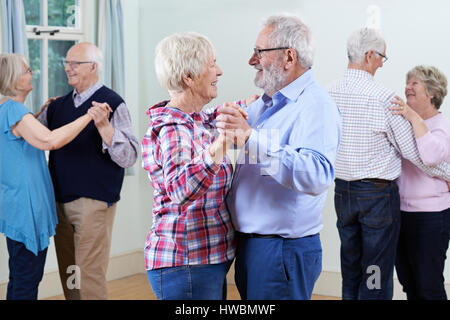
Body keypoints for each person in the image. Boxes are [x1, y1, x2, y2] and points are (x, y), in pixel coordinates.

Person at [219, 13, 341, 300]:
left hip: (282, 250)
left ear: (288, 56)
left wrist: (250, 138)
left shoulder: (316, 105)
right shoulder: (263, 105)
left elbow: (316, 175)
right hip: (253, 247)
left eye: (259, 52)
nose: (252, 60)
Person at [328, 28, 450, 300]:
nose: (383, 63)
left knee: (351, 263)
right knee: (375, 268)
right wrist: (447, 174)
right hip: (375, 197)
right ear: (369, 55)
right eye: (382, 56)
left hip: (342, 193)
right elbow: (416, 155)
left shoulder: (330, 92)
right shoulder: (383, 97)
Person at [141, 32, 245, 300]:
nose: (219, 71)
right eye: (212, 64)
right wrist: (221, 144)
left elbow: (217, 113)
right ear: (188, 77)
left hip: (204, 261)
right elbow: (180, 190)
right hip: (185, 263)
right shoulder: (173, 128)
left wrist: (261, 100)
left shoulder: (195, 119)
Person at [37, 42, 139, 300]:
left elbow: (129, 157)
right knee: (70, 270)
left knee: (89, 272)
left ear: (93, 66)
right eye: (66, 62)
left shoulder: (113, 103)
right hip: (59, 200)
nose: (68, 68)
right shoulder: (57, 105)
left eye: (75, 63)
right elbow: (34, 137)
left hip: (93, 202)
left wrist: (105, 127)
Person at [0, 53, 97, 299]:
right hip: (26, 209)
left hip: (18, 206)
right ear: (12, 78)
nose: (31, 73)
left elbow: (21, 142)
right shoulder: (14, 111)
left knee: (20, 276)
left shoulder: (11, 111)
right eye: (25, 70)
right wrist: (88, 116)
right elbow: (49, 140)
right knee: (26, 281)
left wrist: (39, 114)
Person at [389, 65, 450, 300]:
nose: (407, 87)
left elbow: (431, 156)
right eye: (407, 82)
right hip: (401, 214)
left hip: (431, 218)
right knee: (409, 282)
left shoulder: (440, 124)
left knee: (429, 285)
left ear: (432, 92)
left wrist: (412, 116)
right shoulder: (404, 124)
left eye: (415, 83)